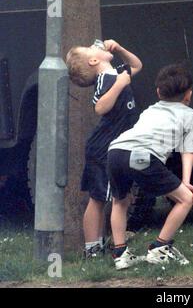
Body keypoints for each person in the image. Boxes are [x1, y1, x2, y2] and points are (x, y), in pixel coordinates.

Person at [107, 64, 193, 270]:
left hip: (115, 152)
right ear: (189, 94)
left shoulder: (150, 110)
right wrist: (186, 183)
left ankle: (120, 254)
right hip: (142, 156)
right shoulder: (189, 115)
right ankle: (160, 247)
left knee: (120, 201)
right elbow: (189, 150)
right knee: (185, 199)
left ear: (158, 92)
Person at [66, 39, 143, 258]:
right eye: (91, 48)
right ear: (93, 60)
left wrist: (120, 49)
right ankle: (92, 247)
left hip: (119, 146)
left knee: (122, 196)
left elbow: (137, 66)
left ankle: (109, 241)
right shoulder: (105, 79)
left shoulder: (117, 71)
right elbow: (100, 106)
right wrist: (119, 84)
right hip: (103, 148)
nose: (96, 45)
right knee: (98, 197)